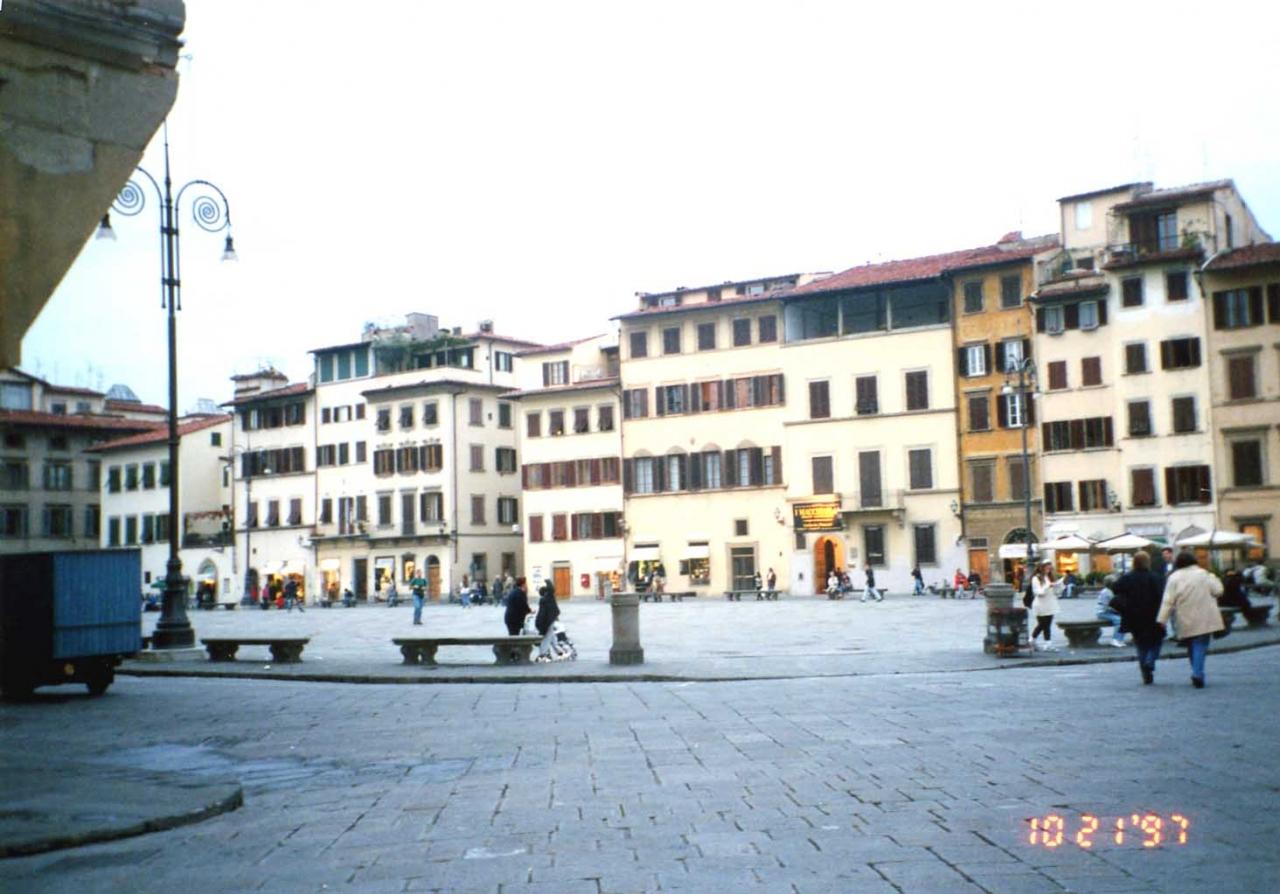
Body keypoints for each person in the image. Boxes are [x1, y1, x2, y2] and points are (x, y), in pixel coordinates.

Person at [1157, 551, 1224, 688]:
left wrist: (1162, 619)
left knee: (1191, 646)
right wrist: (1213, 577)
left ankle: (1196, 670)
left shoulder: (1174, 577)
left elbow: (1168, 601)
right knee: (1200, 644)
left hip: (1185, 617)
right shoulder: (1203, 574)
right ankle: (1197, 673)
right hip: (1205, 616)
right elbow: (1218, 591)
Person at [1030, 562, 1060, 651]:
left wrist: (1057, 586)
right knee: (1043, 624)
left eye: (1050, 569)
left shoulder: (1049, 577)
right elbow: (1039, 592)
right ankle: (1041, 642)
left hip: (1050, 603)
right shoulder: (1036, 578)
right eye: (1047, 568)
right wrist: (1048, 586)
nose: (1049, 570)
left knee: (1046, 624)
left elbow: (1055, 592)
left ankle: (1035, 641)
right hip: (1040, 604)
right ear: (1041, 568)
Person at [1094, 574, 1125, 647]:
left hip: (1110, 611)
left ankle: (1120, 640)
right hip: (1103, 612)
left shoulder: (1112, 591)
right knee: (1118, 620)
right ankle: (1115, 639)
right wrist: (1117, 611)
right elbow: (1106, 606)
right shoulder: (1105, 592)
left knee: (1125, 620)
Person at [535, 579, 560, 654]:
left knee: (549, 637)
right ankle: (546, 653)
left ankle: (555, 651)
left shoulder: (545, 599)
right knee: (549, 637)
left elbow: (542, 614)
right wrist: (548, 581)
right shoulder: (548, 598)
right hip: (549, 620)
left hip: (548, 621)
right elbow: (551, 589)